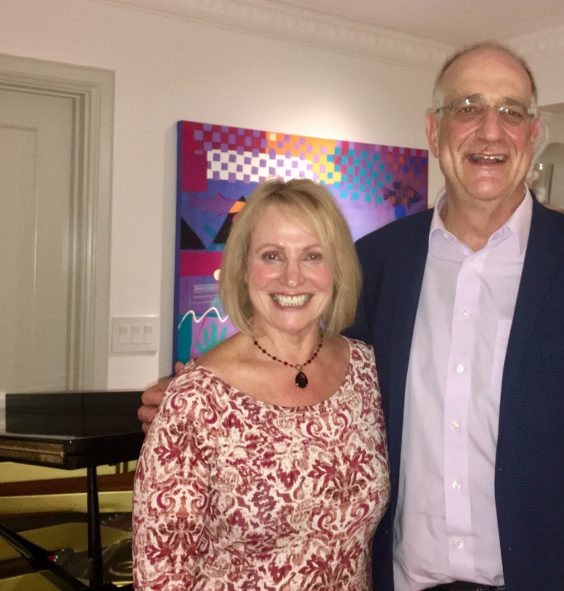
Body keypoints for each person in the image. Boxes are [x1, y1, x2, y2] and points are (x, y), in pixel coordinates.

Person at [140, 42, 564, 591]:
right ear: (434, 130)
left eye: (511, 112)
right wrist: (199, 395)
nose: (490, 131)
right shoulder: (377, 264)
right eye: (468, 107)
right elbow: (301, 355)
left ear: (532, 134)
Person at [132, 178, 389, 590]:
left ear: (336, 269)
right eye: (272, 256)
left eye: (312, 256)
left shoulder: (367, 371)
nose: (292, 278)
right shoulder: (196, 400)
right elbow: (161, 574)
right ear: (242, 268)